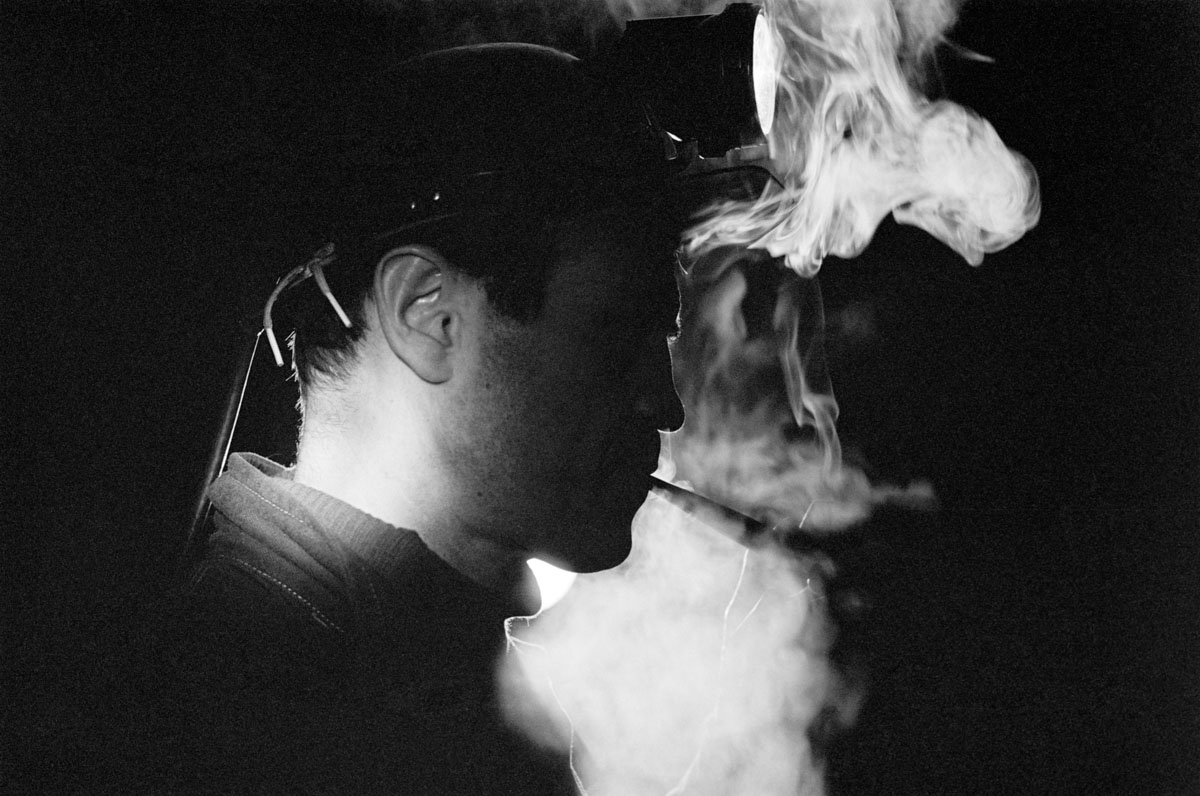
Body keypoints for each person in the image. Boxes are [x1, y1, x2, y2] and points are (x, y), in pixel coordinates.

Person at [35, 42, 762, 795]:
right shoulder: (245, 723)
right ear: (429, 314)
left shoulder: (405, 688)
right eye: (616, 334)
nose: (666, 406)